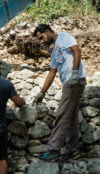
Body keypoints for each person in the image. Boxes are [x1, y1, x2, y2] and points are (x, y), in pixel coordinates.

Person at [33, 24, 86, 162]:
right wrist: (42, 92)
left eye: (42, 37)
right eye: (40, 39)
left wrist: (75, 73)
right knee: (71, 117)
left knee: (62, 114)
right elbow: (52, 72)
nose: (42, 41)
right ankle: (72, 151)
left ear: (48, 31)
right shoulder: (55, 50)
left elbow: (77, 51)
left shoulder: (64, 36)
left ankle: (53, 149)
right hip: (69, 82)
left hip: (74, 81)